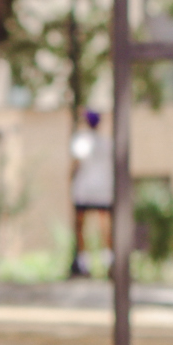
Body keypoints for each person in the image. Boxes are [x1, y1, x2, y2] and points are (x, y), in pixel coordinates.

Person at [67, 111, 112, 278]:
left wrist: (71, 180)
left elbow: (76, 164)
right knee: (105, 226)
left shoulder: (82, 141)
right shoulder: (108, 143)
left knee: (81, 227)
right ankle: (108, 261)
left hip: (84, 190)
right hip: (104, 189)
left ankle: (83, 262)